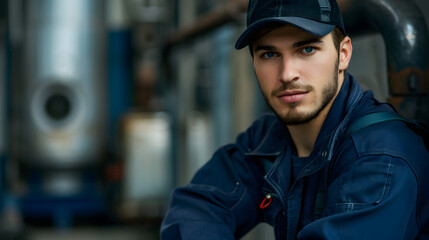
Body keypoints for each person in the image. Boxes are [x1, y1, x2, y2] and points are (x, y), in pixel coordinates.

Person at [160, 0, 429, 239]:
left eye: (307, 49)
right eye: (269, 54)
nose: (287, 74)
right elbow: (196, 209)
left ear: (343, 54)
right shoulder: (269, 138)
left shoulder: (383, 158)